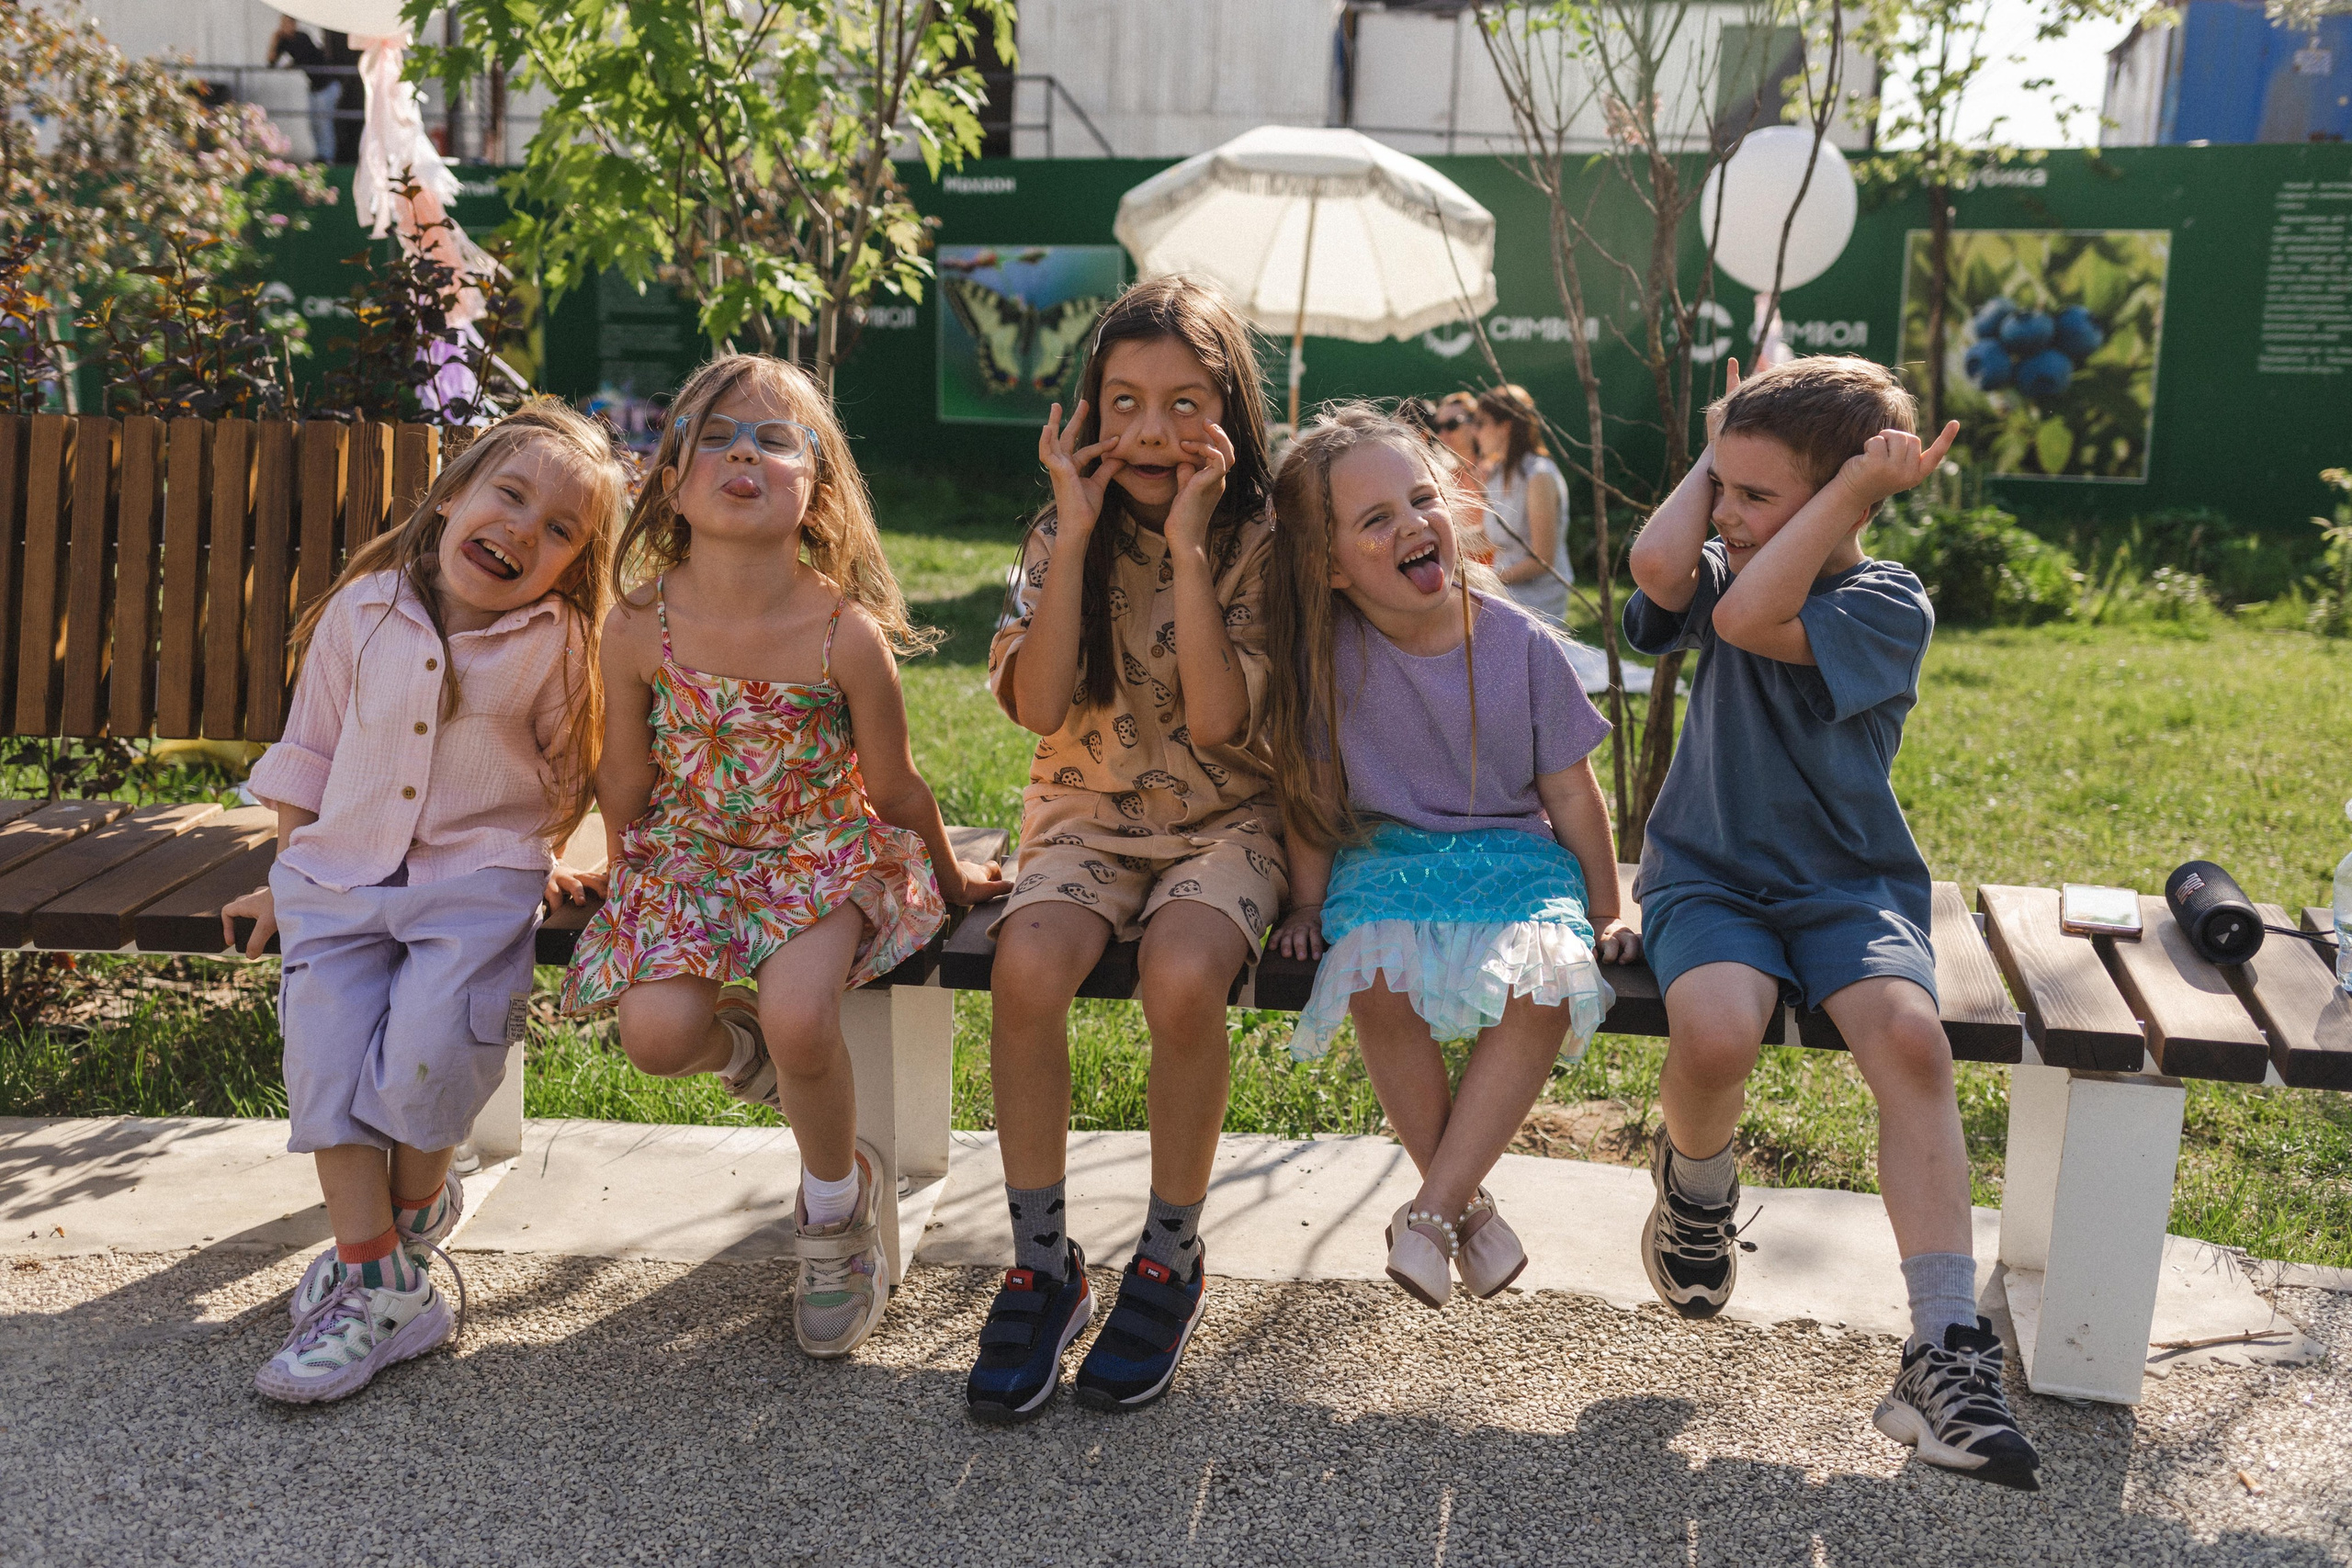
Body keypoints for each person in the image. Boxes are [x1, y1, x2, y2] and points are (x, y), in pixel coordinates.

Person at [1622, 356, 2038, 1490]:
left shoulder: (1884, 604)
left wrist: (1848, 492)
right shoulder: (1717, 560)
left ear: (1843, 501)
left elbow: (1752, 619)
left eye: (1756, 496)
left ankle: (1943, 1348)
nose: (1726, 513)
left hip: (1847, 885)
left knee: (1910, 1041)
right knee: (1716, 1030)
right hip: (1709, 875)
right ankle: (1695, 1192)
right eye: (1722, 487)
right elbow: (1656, 569)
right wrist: (1722, 449)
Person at [561, 354, 1007, 1359]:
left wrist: (950, 878)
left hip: (818, 855)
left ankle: (835, 1206)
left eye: (774, 439)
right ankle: (754, 1060)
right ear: (670, 481)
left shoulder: (842, 633)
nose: (743, 456)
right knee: (655, 1036)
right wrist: (624, 880)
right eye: (715, 438)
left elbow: (896, 788)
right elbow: (622, 776)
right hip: (690, 859)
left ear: (819, 490)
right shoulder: (638, 625)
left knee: (803, 1016)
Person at [227, 400, 632, 1404]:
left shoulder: (560, 641)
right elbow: (309, 753)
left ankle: (401, 1233)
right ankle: (380, 1279)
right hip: (337, 879)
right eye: (509, 496)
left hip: (477, 882)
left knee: (431, 1055)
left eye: (559, 528)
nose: (522, 531)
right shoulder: (361, 611)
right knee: (325, 1062)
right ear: (451, 495)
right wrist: (287, 874)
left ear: (574, 562)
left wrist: (551, 856)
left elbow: (570, 768)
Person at [966, 276, 1283, 1422]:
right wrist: (1076, 536)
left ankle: (1169, 1254)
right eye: (1125, 401)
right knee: (1025, 968)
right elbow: (1040, 702)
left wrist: (1189, 551)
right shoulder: (1061, 531)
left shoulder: (1262, 541)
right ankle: (1040, 1262)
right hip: (1087, 811)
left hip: (1226, 820)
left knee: (1183, 975)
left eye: (1185, 403)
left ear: (1232, 415)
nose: (1151, 432)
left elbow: (1220, 722)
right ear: (1088, 411)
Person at [1263, 404, 1637, 1308]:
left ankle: (1430, 1213)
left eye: (1420, 499)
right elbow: (1312, 800)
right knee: (1372, 974)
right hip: (1385, 860)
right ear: (1329, 567)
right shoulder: (1326, 660)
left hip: (1518, 862)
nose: (1411, 524)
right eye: (1375, 519)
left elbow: (1571, 796)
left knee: (1546, 982)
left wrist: (1607, 908)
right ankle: (1463, 1214)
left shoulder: (1521, 644)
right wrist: (1308, 904)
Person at [1474, 384, 1572, 624]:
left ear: (1505, 427)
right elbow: (1489, 535)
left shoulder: (1539, 476)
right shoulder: (1496, 473)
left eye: (1481, 423)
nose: (1475, 432)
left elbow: (1542, 561)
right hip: (1504, 591)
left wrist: (1485, 581)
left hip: (1538, 601)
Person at [268, 15, 340, 164]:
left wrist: (291, 66)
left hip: (327, 85)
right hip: (314, 87)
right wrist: (274, 40)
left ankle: (328, 158)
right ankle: (321, 155)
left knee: (323, 123)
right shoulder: (283, 41)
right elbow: (271, 63)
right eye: (282, 23)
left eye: (288, 23)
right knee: (314, 123)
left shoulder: (302, 37)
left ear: (294, 24)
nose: (285, 26)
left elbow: (304, 59)